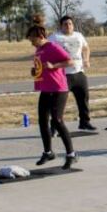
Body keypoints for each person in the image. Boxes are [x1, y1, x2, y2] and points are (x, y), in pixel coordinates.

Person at [27, 18, 78, 170]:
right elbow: (41, 67)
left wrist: (54, 66)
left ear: (40, 36)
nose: (31, 43)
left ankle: (71, 154)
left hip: (58, 89)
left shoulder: (53, 47)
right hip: (45, 89)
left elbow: (70, 62)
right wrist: (35, 71)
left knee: (57, 121)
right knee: (43, 121)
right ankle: (48, 152)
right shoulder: (38, 50)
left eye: (32, 39)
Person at [48, 15, 96, 131]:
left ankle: (84, 122)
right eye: (65, 24)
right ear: (61, 26)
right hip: (63, 75)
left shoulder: (78, 36)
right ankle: (54, 126)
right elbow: (47, 51)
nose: (68, 26)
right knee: (59, 102)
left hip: (79, 73)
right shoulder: (55, 37)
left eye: (70, 24)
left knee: (84, 98)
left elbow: (86, 48)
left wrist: (86, 59)